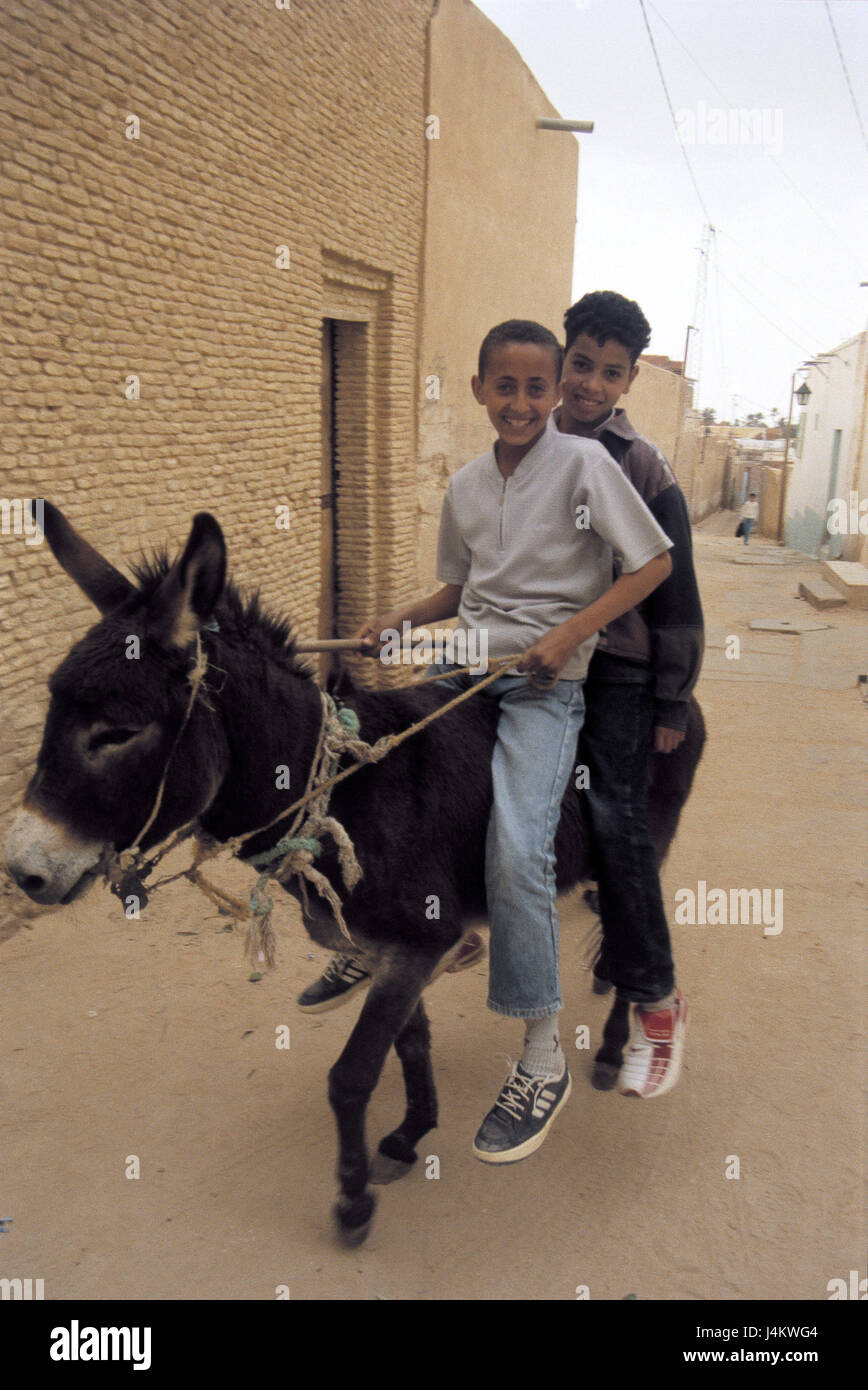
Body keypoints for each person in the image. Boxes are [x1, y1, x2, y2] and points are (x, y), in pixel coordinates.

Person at [300, 319, 674, 1162]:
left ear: (553, 395)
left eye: (537, 389)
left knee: (515, 850)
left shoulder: (586, 466)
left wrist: (568, 635)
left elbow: (652, 564)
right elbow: (459, 593)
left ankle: (542, 1059)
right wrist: (399, 621)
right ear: (479, 390)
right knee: (370, 777)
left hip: (544, 690)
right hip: (465, 668)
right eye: (504, 387)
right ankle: (379, 938)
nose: (521, 403)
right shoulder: (467, 487)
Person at [555, 290, 704, 1098]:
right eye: (581, 364)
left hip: (616, 666)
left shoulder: (640, 466)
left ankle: (655, 995)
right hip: (537, 657)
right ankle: (431, 926)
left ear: (628, 380)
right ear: (562, 354)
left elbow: (677, 597)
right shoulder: (528, 440)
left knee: (613, 813)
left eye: (609, 373)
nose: (589, 384)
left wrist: (672, 701)